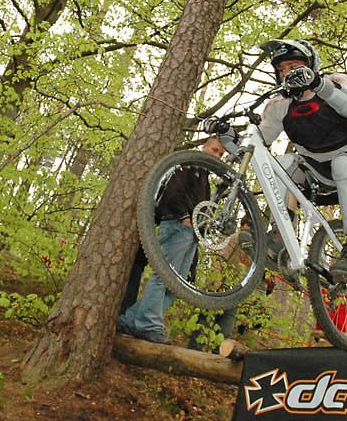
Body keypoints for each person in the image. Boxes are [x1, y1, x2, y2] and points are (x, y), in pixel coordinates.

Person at [256, 39, 347, 279]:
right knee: (281, 164)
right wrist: (227, 136)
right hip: (318, 175)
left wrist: (318, 84)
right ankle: (280, 236)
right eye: (282, 69)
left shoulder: (335, 81)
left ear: (310, 66)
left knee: (343, 163)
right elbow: (258, 141)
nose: (287, 73)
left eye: (293, 66)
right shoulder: (279, 105)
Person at [118, 136, 226, 345]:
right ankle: (149, 325)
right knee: (164, 278)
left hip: (190, 234)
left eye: (220, 154)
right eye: (214, 150)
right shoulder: (186, 163)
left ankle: (131, 320)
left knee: (176, 285)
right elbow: (171, 192)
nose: (217, 156)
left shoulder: (204, 176)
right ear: (203, 146)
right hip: (177, 225)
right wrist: (184, 218)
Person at [187, 214, 275, 352]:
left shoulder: (255, 250)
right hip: (218, 289)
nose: (247, 229)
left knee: (224, 334)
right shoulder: (234, 238)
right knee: (203, 325)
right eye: (246, 225)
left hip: (235, 294)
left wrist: (267, 284)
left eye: (250, 226)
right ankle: (193, 353)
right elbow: (219, 258)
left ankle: (217, 359)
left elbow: (259, 278)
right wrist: (215, 284)